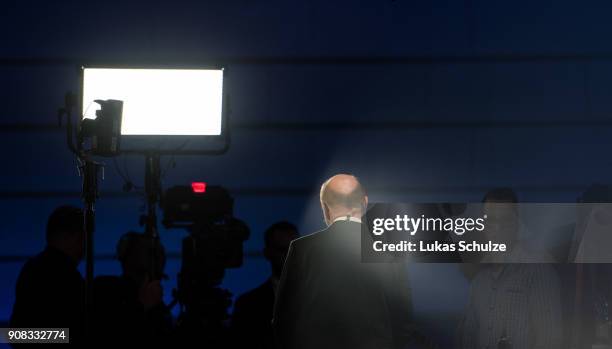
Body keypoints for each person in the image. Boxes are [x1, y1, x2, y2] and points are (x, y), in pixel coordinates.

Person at [273, 174, 413, 349]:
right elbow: (403, 321)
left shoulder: (302, 250)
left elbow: (283, 321)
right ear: (365, 202)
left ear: (324, 206)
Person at [458, 188, 562, 349]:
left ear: (516, 222)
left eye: (505, 220)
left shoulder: (538, 268)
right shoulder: (479, 276)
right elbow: (469, 336)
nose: (498, 228)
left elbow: (550, 339)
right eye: (491, 220)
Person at [10, 205, 85, 341]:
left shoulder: (32, 269)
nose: (84, 245)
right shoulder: (65, 275)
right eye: (81, 237)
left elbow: (16, 334)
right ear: (70, 236)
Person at [93, 232, 172, 342]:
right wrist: (142, 305)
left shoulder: (159, 304)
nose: (158, 257)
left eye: (158, 253)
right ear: (130, 257)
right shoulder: (106, 290)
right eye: (150, 253)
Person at [231, 221, 299, 349]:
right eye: (282, 250)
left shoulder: (323, 299)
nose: (289, 257)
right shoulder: (248, 305)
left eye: (294, 251)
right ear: (268, 253)